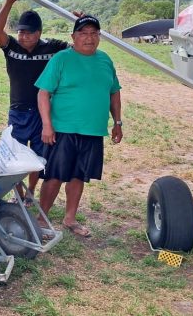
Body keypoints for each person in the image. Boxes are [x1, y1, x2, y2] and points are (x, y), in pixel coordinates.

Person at [35, 15, 123, 238]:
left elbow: (114, 92)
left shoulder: (105, 60)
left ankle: (70, 218)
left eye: (94, 33)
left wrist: (118, 122)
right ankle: (41, 218)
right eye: (83, 33)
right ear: (73, 37)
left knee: (79, 176)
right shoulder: (61, 59)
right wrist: (47, 125)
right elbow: (43, 93)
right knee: (54, 175)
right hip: (63, 129)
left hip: (93, 130)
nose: (89, 38)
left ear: (100, 37)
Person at [0, 0, 71, 202]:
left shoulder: (53, 47)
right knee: (15, 155)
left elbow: (78, 47)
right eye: (20, 31)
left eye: (28, 32)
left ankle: (30, 192)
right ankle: (17, 194)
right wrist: (9, 1)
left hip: (42, 113)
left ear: (38, 33)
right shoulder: (12, 47)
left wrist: (81, 23)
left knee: (37, 157)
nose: (23, 36)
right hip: (17, 112)